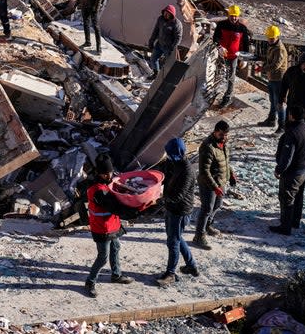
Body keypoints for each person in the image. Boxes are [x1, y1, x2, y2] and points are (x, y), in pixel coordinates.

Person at [84, 153, 149, 298]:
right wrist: (137, 210)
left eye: (110, 172)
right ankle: (90, 281)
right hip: (102, 228)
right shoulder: (98, 191)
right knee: (102, 257)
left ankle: (116, 275)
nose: (110, 175)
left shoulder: (107, 182)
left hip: (112, 224)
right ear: (101, 174)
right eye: (107, 173)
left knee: (116, 247)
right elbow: (116, 208)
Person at [156, 137, 199, 286]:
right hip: (171, 208)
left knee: (173, 241)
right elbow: (165, 175)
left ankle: (171, 273)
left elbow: (178, 196)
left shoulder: (188, 171)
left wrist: (161, 197)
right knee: (177, 237)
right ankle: (191, 265)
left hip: (180, 210)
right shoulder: (173, 163)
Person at [272, 107, 305, 236]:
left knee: (287, 199)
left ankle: (285, 227)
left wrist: (278, 170)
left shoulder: (292, 133)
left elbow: (287, 157)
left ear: (291, 115)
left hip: (293, 172)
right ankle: (295, 221)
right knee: (299, 196)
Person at [193, 120, 237, 250]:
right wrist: (215, 187)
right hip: (208, 183)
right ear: (215, 132)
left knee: (218, 205)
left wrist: (231, 174)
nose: (224, 137)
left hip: (220, 181)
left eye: (226, 134)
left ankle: (208, 226)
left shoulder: (224, 145)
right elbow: (204, 171)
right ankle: (199, 236)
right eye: (221, 134)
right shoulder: (208, 147)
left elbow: (225, 161)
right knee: (207, 208)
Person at [213, 5, 253, 108]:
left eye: (235, 16)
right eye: (232, 16)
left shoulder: (242, 28)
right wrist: (219, 46)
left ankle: (228, 97)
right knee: (219, 75)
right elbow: (215, 37)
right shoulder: (221, 25)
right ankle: (215, 93)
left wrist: (245, 58)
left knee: (231, 77)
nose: (233, 18)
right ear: (228, 15)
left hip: (233, 57)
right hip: (221, 55)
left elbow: (245, 43)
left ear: (238, 16)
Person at [257, 25, 289, 130]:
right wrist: (258, 58)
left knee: (279, 103)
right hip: (272, 78)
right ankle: (271, 120)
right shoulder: (272, 46)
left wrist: (262, 69)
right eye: (269, 38)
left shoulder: (280, 49)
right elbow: (269, 59)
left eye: (272, 38)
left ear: (277, 37)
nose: (270, 40)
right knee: (272, 101)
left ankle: (282, 126)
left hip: (279, 80)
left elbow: (275, 65)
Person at [147, 4, 182, 74]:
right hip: (159, 44)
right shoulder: (160, 19)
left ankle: (167, 77)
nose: (165, 15)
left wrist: (173, 48)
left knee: (169, 64)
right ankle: (156, 73)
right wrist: (151, 41)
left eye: (167, 14)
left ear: (172, 14)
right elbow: (156, 30)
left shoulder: (177, 24)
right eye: (165, 13)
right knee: (153, 59)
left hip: (169, 47)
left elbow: (178, 37)